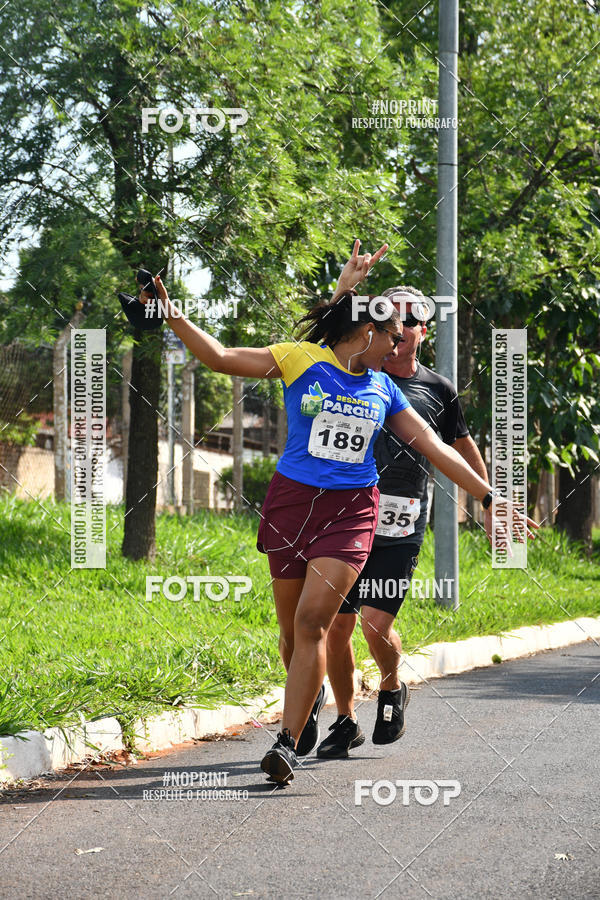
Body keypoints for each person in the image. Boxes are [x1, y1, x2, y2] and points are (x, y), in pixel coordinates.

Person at [133, 240, 512, 786]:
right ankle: (302, 709)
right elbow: (218, 358)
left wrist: (488, 497)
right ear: (366, 335)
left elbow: (434, 445)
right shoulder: (300, 360)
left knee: (315, 622)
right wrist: (167, 311)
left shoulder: (384, 388)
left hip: (351, 511)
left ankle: (286, 744)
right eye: (392, 334)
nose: (400, 342)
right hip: (290, 504)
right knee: (291, 635)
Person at [316, 285, 493, 758]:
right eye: (391, 320)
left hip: (401, 525)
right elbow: (317, 345)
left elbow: (459, 446)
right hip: (347, 519)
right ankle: (346, 719)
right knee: (337, 626)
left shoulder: (437, 389)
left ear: (423, 330)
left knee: (375, 625)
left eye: (411, 322)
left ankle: (393, 688)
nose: (401, 330)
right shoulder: (355, 374)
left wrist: (489, 501)